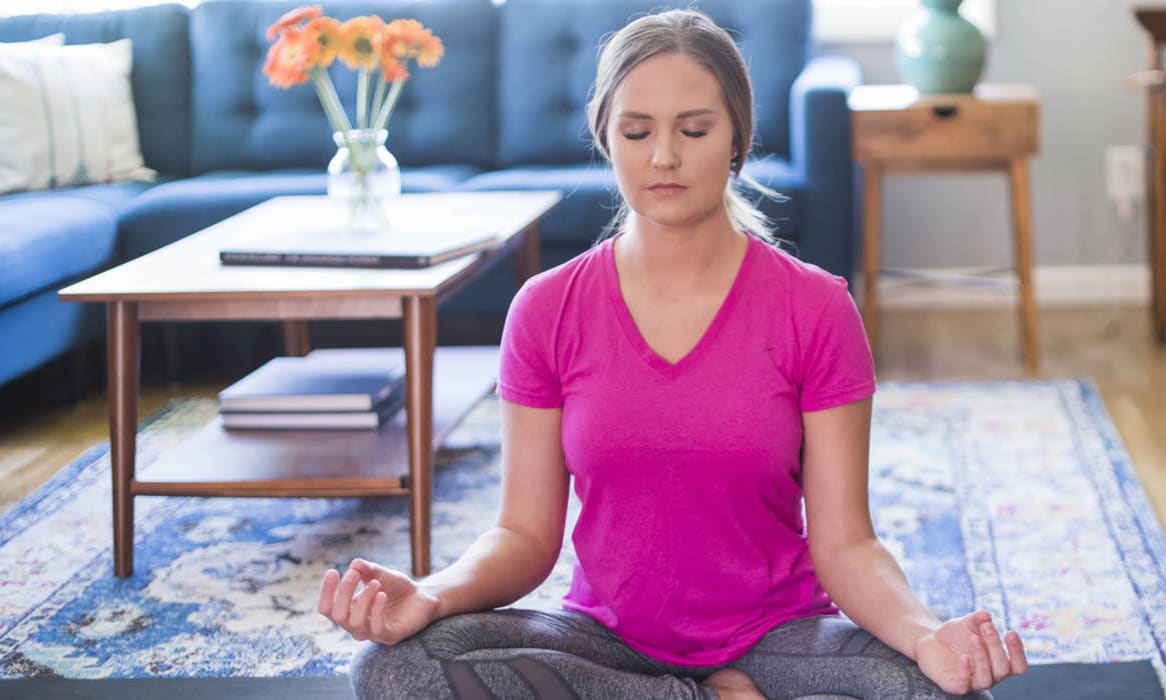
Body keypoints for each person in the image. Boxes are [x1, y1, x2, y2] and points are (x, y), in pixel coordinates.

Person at [319, 9, 1028, 699]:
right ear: (607, 137)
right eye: (636, 131)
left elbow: (845, 544)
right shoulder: (546, 307)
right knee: (392, 667)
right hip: (604, 644)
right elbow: (524, 535)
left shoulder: (814, 309)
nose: (664, 156)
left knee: (938, 688)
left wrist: (925, 633)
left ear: (737, 141)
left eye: (694, 129)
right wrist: (431, 593)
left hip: (774, 639)